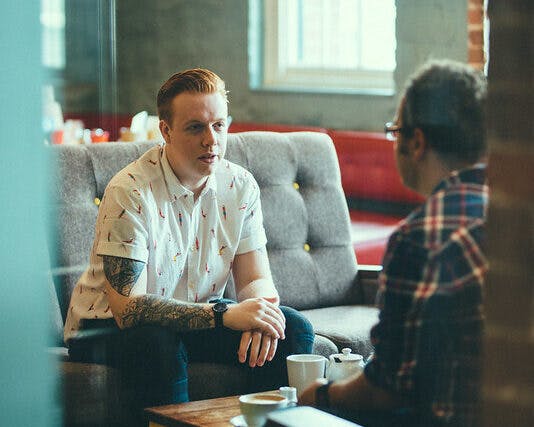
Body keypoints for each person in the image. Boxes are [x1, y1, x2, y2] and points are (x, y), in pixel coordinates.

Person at [64, 68, 314, 422]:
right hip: (104, 328)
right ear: (165, 130)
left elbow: (255, 278)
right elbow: (126, 309)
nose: (211, 141)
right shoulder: (130, 192)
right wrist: (223, 315)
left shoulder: (240, 186)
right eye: (196, 127)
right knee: (158, 343)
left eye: (219, 125)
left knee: (291, 328)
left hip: (195, 318)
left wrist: (260, 312)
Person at [300, 60, 489, 427]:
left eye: (395, 131)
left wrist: (320, 394)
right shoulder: (517, 213)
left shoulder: (421, 237)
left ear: (417, 141)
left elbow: (386, 390)